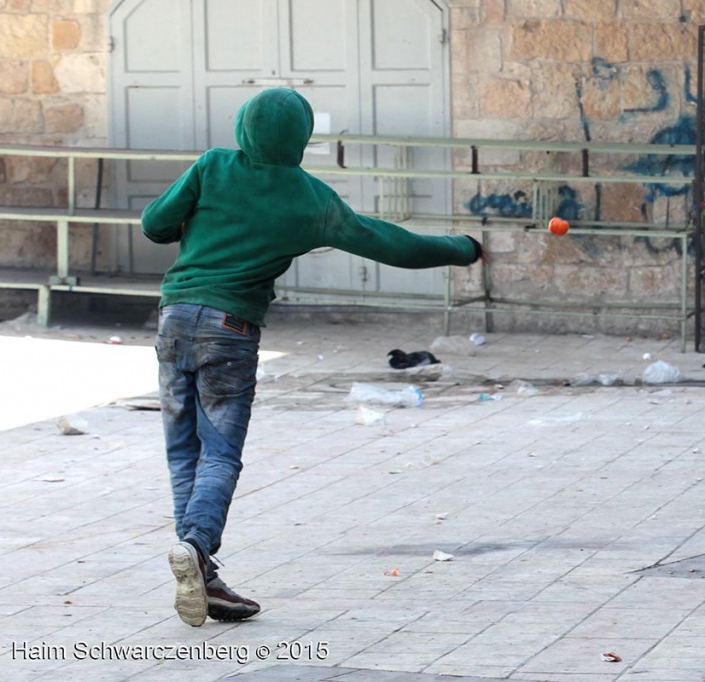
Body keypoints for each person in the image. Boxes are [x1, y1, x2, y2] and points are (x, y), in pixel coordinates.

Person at [141, 88, 482, 627]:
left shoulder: (213, 167)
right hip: (230, 331)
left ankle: (199, 570)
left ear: (243, 127)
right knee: (221, 453)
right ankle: (198, 547)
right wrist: (463, 247)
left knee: (184, 451)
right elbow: (393, 245)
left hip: (175, 319)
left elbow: (155, 225)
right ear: (300, 137)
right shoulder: (311, 199)